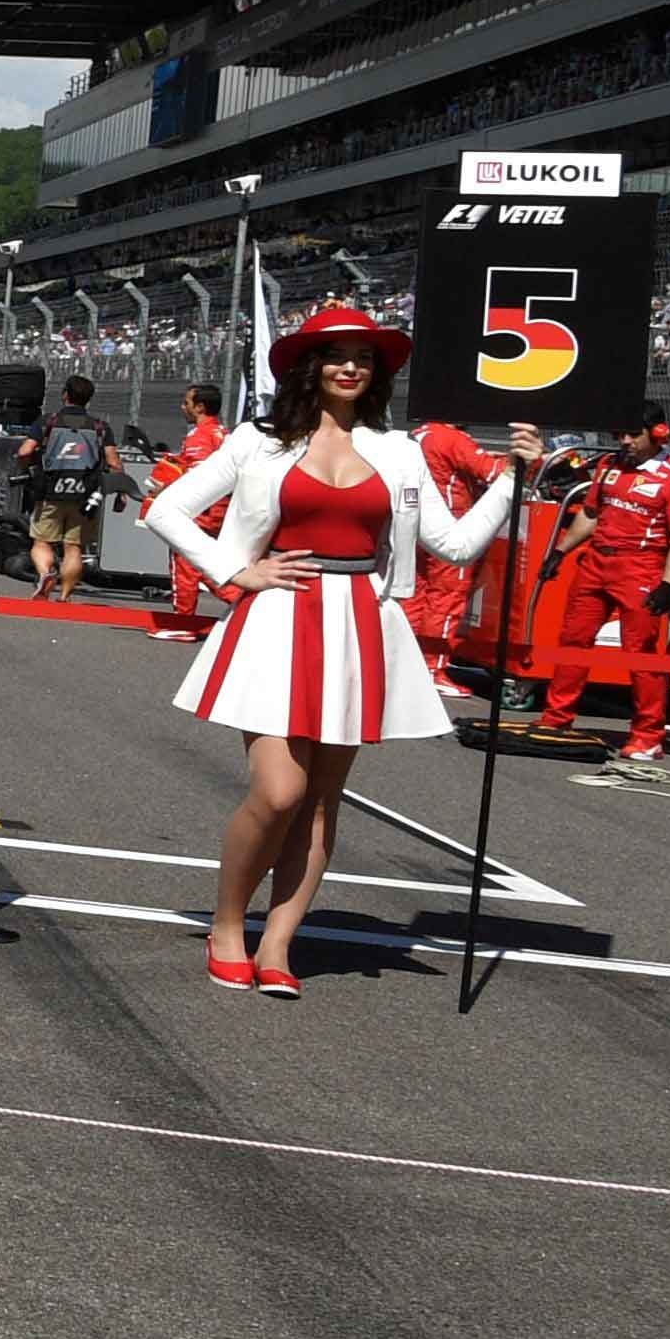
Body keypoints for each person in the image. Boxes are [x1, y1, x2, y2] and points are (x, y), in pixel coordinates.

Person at [148, 305, 526, 996]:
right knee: (279, 790)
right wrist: (236, 571)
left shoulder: (397, 451)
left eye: (362, 357)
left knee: (321, 800)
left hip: (360, 624)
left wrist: (509, 480)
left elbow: (457, 544)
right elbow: (164, 509)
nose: (349, 366)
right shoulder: (257, 441)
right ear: (309, 367)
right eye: (335, 355)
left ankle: (279, 945)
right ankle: (227, 925)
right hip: (276, 618)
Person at [532, 418, 670, 762]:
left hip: (641, 567)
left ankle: (647, 735)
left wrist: (669, 583)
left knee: (640, 653)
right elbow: (592, 513)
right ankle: (556, 719)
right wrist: (560, 551)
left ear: (658, 434)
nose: (623, 440)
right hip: (595, 563)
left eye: (632, 434)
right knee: (573, 640)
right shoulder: (610, 465)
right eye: (619, 434)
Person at [404, 404, 516, 689]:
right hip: (453, 528)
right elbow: (493, 472)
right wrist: (522, 461)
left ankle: (407, 662)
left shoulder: (417, 434)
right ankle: (433, 669)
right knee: (447, 599)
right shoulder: (451, 438)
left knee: (417, 595)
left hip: (417, 526)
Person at [24, 376, 126, 600]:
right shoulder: (100, 427)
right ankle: (65, 596)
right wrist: (122, 492)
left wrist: (30, 467)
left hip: (50, 492)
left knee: (42, 541)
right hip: (85, 495)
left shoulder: (47, 422)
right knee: (74, 547)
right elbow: (114, 462)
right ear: (88, 399)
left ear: (65, 395)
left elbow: (25, 451)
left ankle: (45, 573)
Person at [146, 387, 229, 642]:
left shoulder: (201, 437)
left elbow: (199, 477)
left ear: (200, 407)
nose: (183, 407)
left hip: (200, 509)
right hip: (221, 509)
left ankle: (184, 622)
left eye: (186, 403)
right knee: (201, 561)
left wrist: (166, 487)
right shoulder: (224, 433)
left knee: (186, 563)